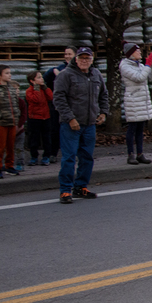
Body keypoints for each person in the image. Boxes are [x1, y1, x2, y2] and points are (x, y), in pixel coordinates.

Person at [52, 46, 108, 204]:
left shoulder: (96, 74)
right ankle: (65, 190)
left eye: (87, 58)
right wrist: (70, 118)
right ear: (75, 59)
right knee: (69, 158)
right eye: (81, 58)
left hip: (90, 124)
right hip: (71, 125)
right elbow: (59, 98)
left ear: (92, 60)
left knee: (87, 157)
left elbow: (104, 94)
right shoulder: (66, 75)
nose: (84, 61)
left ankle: (81, 186)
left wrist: (103, 112)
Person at [119, 42, 152, 162]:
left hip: (142, 100)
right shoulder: (125, 66)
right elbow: (139, 78)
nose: (140, 52)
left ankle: (140, 153)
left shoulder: (140, 65)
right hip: (133, 100)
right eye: (137, 51)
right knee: (132, 128)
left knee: (140, 129)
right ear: (131, 53)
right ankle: (131, 154)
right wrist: (147, 66)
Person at [43, 46, 76, 157]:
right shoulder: (58, 68)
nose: (67, 56)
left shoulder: (80, 70)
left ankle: (73, 152)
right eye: (66, 54)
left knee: (73, 130)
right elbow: (44, 80)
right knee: (55, 129)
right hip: (59, 104)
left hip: (75, 105)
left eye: (69, 54)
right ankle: (53, 153)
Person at [24, 70, 53, 166]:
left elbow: (51, 97)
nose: (42, 79)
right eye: (39, 77)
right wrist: (37, 88)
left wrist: (45, 88)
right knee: (34, 138)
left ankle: (46, 156)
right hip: (35, 118)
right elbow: (37, 100)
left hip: (46, 117)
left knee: (47, 137)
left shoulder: (43, 89)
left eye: (41, 77)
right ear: (32, 81)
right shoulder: (29, 91)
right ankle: (34, 156)